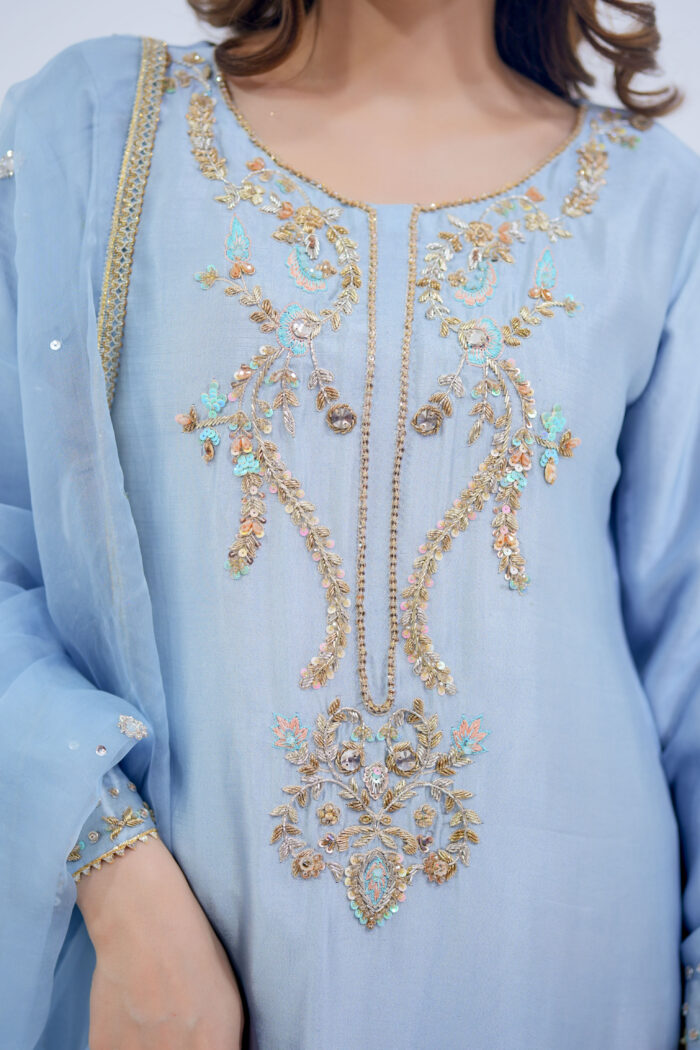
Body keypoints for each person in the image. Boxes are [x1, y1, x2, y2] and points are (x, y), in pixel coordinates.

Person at [1, 0, 699, 1047]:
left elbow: (689, 655)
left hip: (570, 978)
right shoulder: (99, 136)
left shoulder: (654, 204)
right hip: (180, 997)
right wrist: (113, 867)